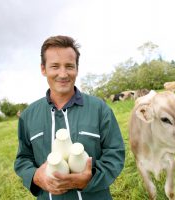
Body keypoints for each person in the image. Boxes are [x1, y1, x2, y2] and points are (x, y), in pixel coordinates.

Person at [14, 35, 125, 200]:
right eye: (55, 66)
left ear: (77, 69)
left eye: (69, 66)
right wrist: (36, 176)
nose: (63, 74)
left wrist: (90, 178)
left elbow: (115, 152)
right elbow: (23, 158)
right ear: (43, 69)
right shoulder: (28, 116)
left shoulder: (99, 109)